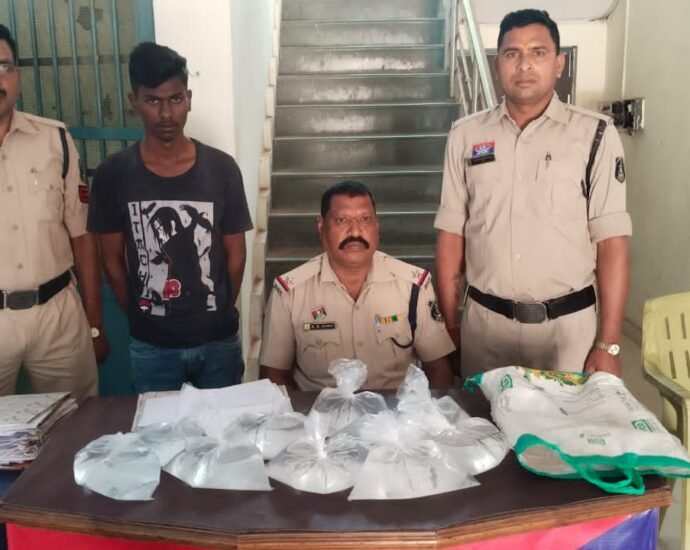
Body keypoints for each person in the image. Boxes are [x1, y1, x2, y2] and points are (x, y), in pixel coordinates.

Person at [434, 9, 632, 379]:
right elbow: (451, 236)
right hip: (486, 330)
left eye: (538, 52)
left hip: (568, 333)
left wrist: (608, 344)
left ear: (558, 64)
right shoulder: (466, 136)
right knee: (483, 416)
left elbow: (611, 244)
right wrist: (449, 327)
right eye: (512, 53)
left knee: (565, 418)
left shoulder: (595, 135)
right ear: (497, 66)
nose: (524, 64)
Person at [88, 42, 253, 392]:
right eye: (153, 100)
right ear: (134, 101)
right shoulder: (113, 174)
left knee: (223, 425)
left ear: (189, 99)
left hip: (218, 342)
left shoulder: (222, 169)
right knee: (159, 427)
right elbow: (111, 260)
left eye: (175, 99)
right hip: (152, 346)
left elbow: (236, 254)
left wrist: (218, 309)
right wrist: (141, 315)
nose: (166, 113)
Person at [260, 180, 455, 390]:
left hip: (396, 408)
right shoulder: (290, 293)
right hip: (321, 409)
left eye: (365, 219)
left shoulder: (413, 286)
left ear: (376, 226)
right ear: (321, 226)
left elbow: (439, 368)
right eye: (341, 220)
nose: (355, 232)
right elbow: (274, 375)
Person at [0, 24, 108, 400]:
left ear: (18, 75)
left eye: (4, 66)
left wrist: (95, 323)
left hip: (57, 316)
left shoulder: (54, 140)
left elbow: (82, 235)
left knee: (77, 422)